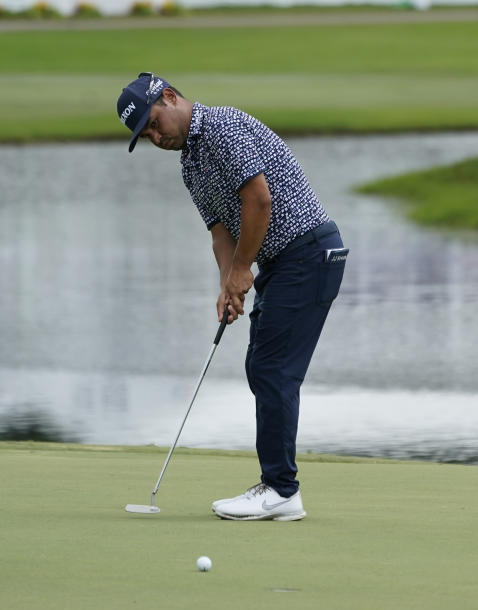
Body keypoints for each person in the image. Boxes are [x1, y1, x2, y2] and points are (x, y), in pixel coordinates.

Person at [116, 73, 348, 521]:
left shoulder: (221, 128)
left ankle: (281, 490)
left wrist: (243, 270)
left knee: (272, 369)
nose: (154, 136)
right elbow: (220, 230)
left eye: (153, 122)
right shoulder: (190, 164)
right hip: (286, 263)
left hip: (307, 254)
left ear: (169, 97)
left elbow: (257, 202)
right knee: (264, 367)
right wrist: (227, 282)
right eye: (145, 134)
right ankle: (279, 487)